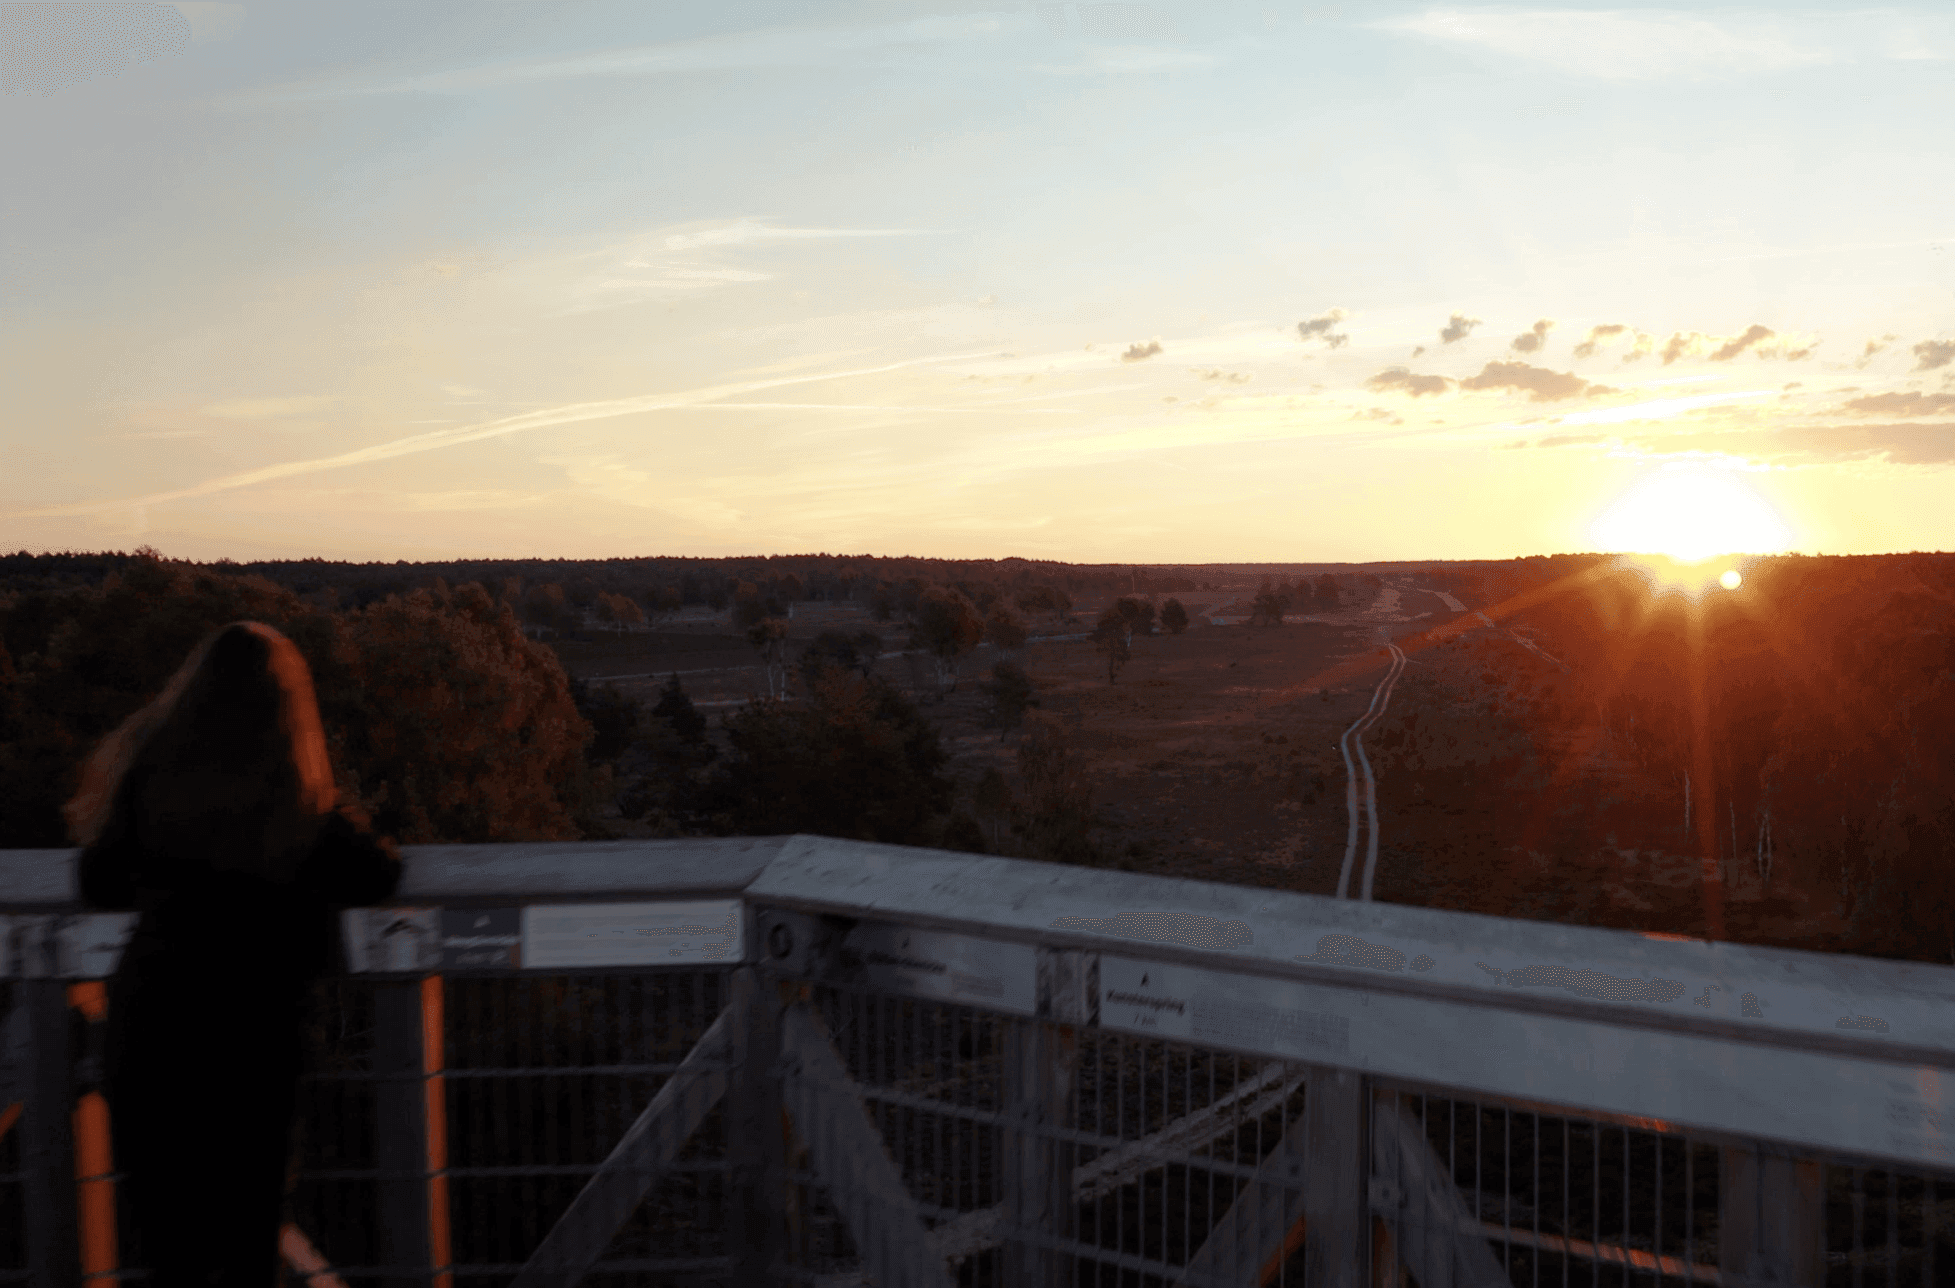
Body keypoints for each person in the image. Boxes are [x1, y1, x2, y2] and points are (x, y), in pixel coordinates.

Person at [67, 620, 402, 1287]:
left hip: (151, 1028)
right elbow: (377, 875)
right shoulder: (297, 804)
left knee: (170, 1249)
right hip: (253, 1043)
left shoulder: (153, 781)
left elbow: (96, 884)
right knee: (247, 1244)